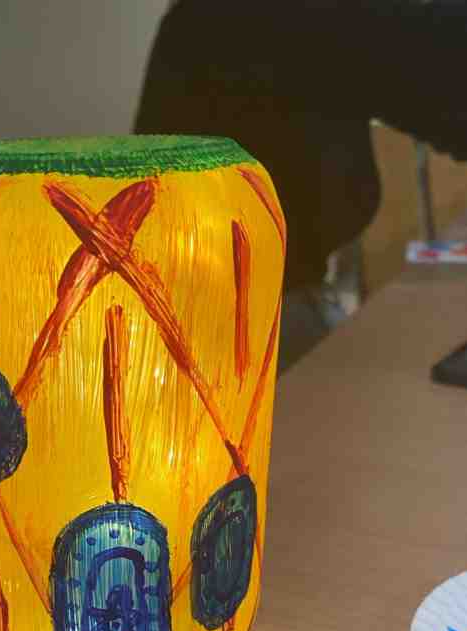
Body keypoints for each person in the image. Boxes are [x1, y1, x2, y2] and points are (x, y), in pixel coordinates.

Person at [135, 0, 467, 368]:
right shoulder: (293, 17)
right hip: (230, 323)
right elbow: (427, 70)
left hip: (211, 307)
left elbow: (426, 80)